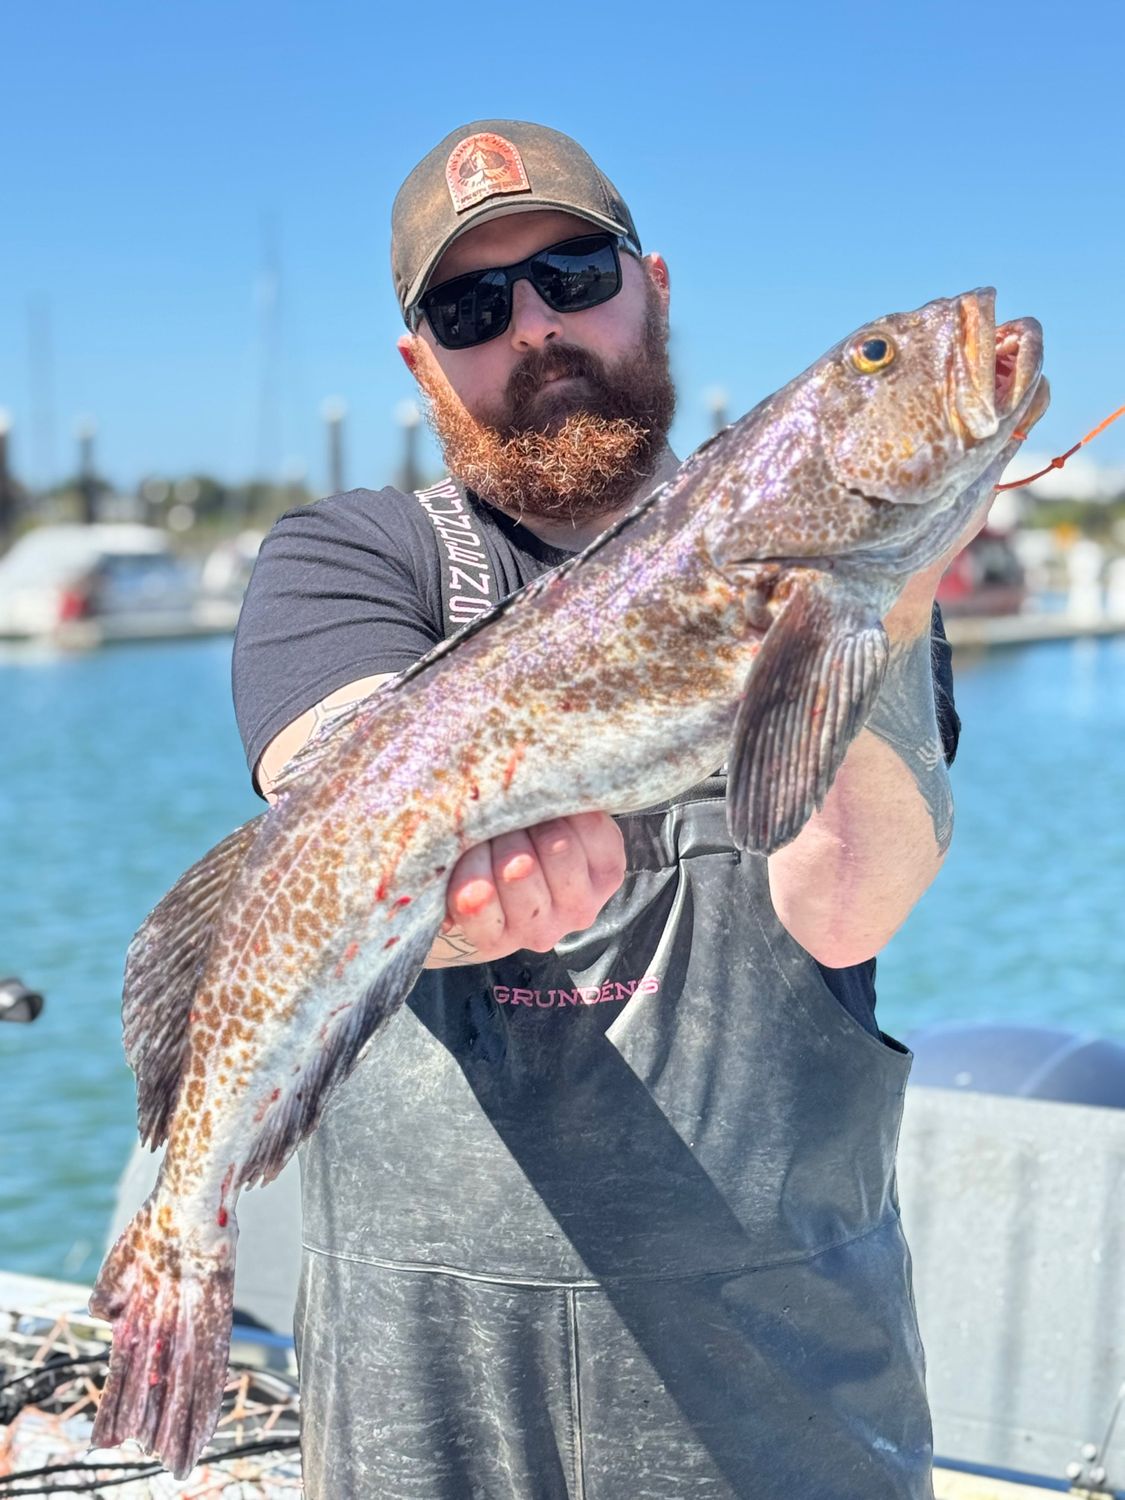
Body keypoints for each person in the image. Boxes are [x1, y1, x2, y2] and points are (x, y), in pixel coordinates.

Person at [232, 119, 965, 1499]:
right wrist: (444, 913)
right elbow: (329, 802)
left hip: (780, 1388)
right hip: (421, 1390)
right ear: (419, 362)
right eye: (471, 305)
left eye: (572, 273)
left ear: (655, 285)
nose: (532, 327)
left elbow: (846, 905)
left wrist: (877, 593)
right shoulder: (352, 557)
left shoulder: (853, 574)